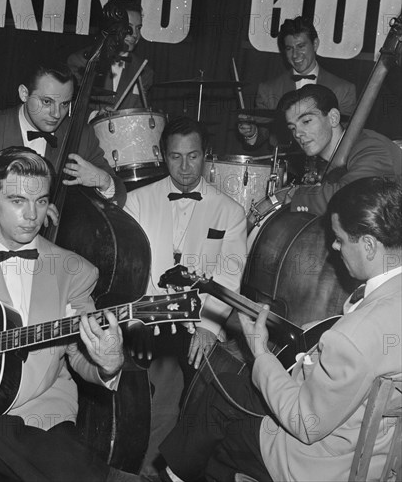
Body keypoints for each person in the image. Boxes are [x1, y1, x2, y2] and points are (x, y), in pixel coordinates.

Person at [115, 175, 400, 482]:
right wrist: (320, 331)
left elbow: (305, 422)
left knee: (216, 416)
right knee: (228, 391)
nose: (333, 246)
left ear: (369, 245)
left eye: (341, 239)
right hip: (379, 451)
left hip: (318, 464)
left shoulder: (351, 338)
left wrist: (260, 351)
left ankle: (174, 475)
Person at [0, 147, 132, 482]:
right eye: (18, 200)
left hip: (40, 418)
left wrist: (107, 363)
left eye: (41, 200)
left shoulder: (74, 271)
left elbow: (80, 354)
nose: (33, 214)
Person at [123, 116, 247, 474]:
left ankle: (181, 469)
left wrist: (209, 327)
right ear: (164, 156)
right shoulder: (136, 201)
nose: (185, 167)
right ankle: (138, 464)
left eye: (193, 156)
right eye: (176, 157)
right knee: (149, 381)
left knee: (204, 388)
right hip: (146, 315)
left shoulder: (231, 211)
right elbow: (130, 271)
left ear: (205, 155)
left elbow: (229, 275)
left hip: (200, 319)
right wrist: (136, 318)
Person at [0, 62, 127, 220]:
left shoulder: (81, 135)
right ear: (24, 93)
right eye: (47, 102)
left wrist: (103, 180)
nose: (57, 114)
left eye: (65, 104)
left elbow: (118, 192)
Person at [277, 83, 402, 215]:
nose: (297, 133)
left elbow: (353, 197)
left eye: (306, 121)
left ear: (333, 118)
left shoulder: (371, 146)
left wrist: (298, 196)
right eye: (292, 128)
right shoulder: (325, 163)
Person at [238, 16, 357, 148]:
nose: (295, 55)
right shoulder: (268, 89)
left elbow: (346, 138)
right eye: (289, 48)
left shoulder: (344, 89)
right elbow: (262, 132)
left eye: (301, 46)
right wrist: (252, 132)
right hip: (282, 165)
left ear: (315, 44)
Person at [68, 0, 154, 112]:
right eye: (128, 27)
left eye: (138, 28)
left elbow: (140, 115)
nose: (135, 34)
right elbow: (69, 107)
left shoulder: (144, 71)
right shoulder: (80, 61)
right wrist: (95, 116)